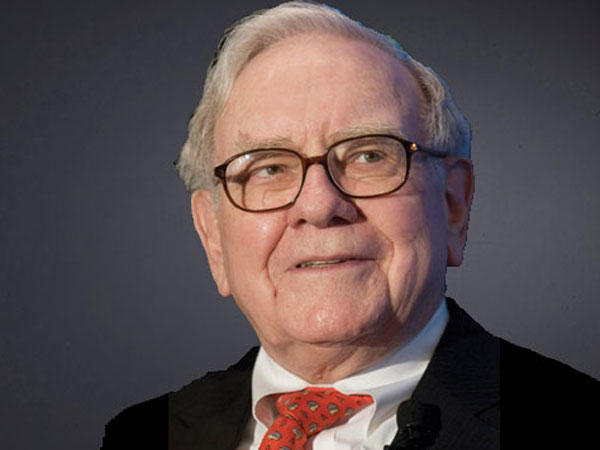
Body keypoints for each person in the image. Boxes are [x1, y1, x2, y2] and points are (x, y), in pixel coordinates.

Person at [101, 2, 599, 449]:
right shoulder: (141, 435)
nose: (319, 205)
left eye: (368, 156)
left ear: (453, 205)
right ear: (213, 237)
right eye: (268, 168)